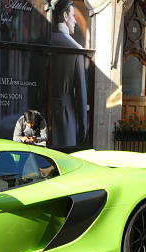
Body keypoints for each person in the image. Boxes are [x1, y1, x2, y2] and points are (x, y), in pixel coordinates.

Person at [49, 0, 88, 148]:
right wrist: (83, 126)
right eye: (73, 16)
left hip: (40, 117)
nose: (75, 21)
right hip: (65, 119)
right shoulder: (75, 48)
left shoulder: (42, 41)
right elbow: (81, 94)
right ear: (65, 16)